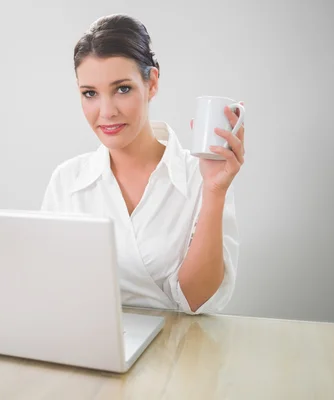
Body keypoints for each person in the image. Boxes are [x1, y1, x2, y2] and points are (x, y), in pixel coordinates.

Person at [41, 14, 244, 315]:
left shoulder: (198, 176)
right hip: (90, 347)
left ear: (152, 84)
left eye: (122, 89)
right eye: (90, 94)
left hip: (179, 352)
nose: (106, 111)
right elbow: (49, 287)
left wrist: (214, 191)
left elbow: (196, 300)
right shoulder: (67, 181)